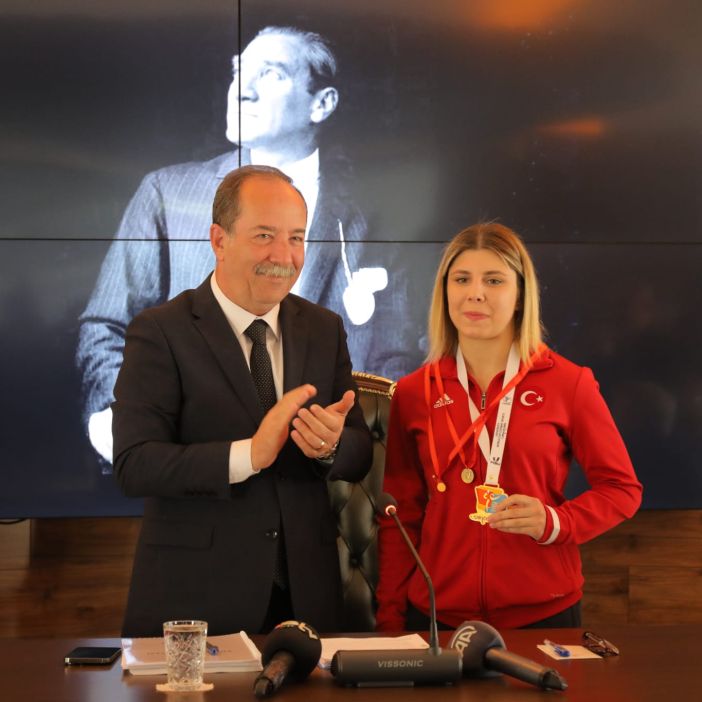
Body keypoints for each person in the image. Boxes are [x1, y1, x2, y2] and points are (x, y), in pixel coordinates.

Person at [77, 25, 415, 469]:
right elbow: (107, 327)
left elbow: (395, 357)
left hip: (317, 485)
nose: (242, 91)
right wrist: (130, 427)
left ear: (322, 103)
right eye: (239, 72)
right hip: (193, 474)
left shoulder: (375, 216)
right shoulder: (166, 193)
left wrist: (343, 441)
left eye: (271, 74)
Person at [113, 165, 372, 636]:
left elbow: (359, 451)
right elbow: (135, 464)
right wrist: (248, 455)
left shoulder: (323, 328)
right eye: (264, 236)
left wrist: (330, 446)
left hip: (306, 597)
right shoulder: (160, 331)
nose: (283, 256)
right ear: (219, 239)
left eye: (296, 238)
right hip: (197, 601)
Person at [375, 222, 642, 632]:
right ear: (445, 292)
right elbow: (401, 517)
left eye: (494, 280)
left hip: (543, 614)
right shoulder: (414, 393)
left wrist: (555, 523)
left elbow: (621, 489)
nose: (475, 293)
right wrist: (391, 622)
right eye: (461, 279)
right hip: (437, 617)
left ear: (520, 295)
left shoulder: (567, 383)